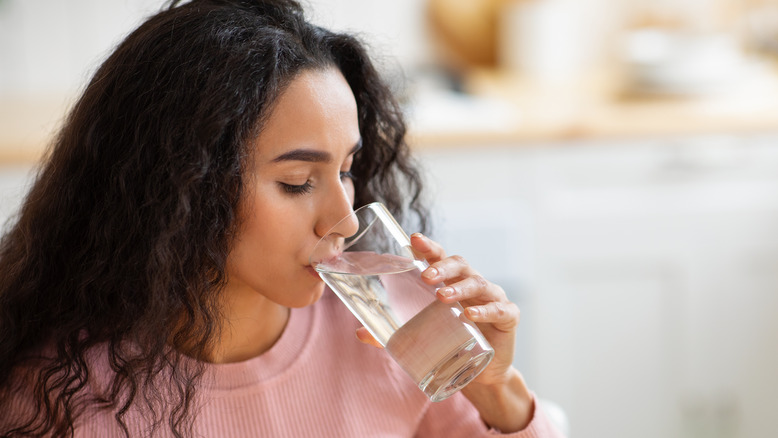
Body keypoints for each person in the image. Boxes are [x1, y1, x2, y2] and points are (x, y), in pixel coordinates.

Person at [0, 1, 565, 437]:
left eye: (346, 169)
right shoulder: (59, 395)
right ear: (181, 185)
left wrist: (498, 392)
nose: (344, 220)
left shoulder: (396, 331)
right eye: (297, 183)